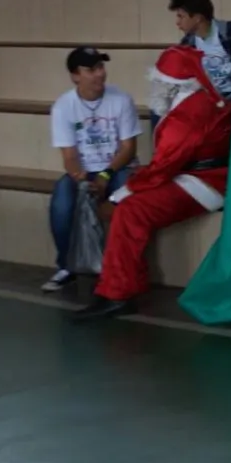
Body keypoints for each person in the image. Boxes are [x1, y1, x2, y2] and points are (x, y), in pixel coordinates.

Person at [69, 46, 231, 322]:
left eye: (158, 81)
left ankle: (117, 294)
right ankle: (124, 284)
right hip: (202, 175)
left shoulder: (187, 115)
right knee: (133, 201)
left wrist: (118, 196)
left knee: (131, 210)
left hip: (205, 182)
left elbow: (162, 168)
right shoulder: (198, 100)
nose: (155, 86)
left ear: (172, 83)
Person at [43, 47, 142, 292]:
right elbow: (69, 156)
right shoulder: (63, 106)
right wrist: (81, 177)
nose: (100, 74)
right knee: (62, 201)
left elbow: (128, 149)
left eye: (101, 67)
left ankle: (121, 269)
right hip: (85, 171)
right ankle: (66, 266)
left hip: (118, 168)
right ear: (75, 76)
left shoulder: (121, 99)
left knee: (126, 199)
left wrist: (106, 174)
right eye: (91, 69)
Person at [170, 0, 231, 100]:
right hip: (208, 98)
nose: (177, 22)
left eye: (181, 17)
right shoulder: (187, 44)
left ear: (197, 18)